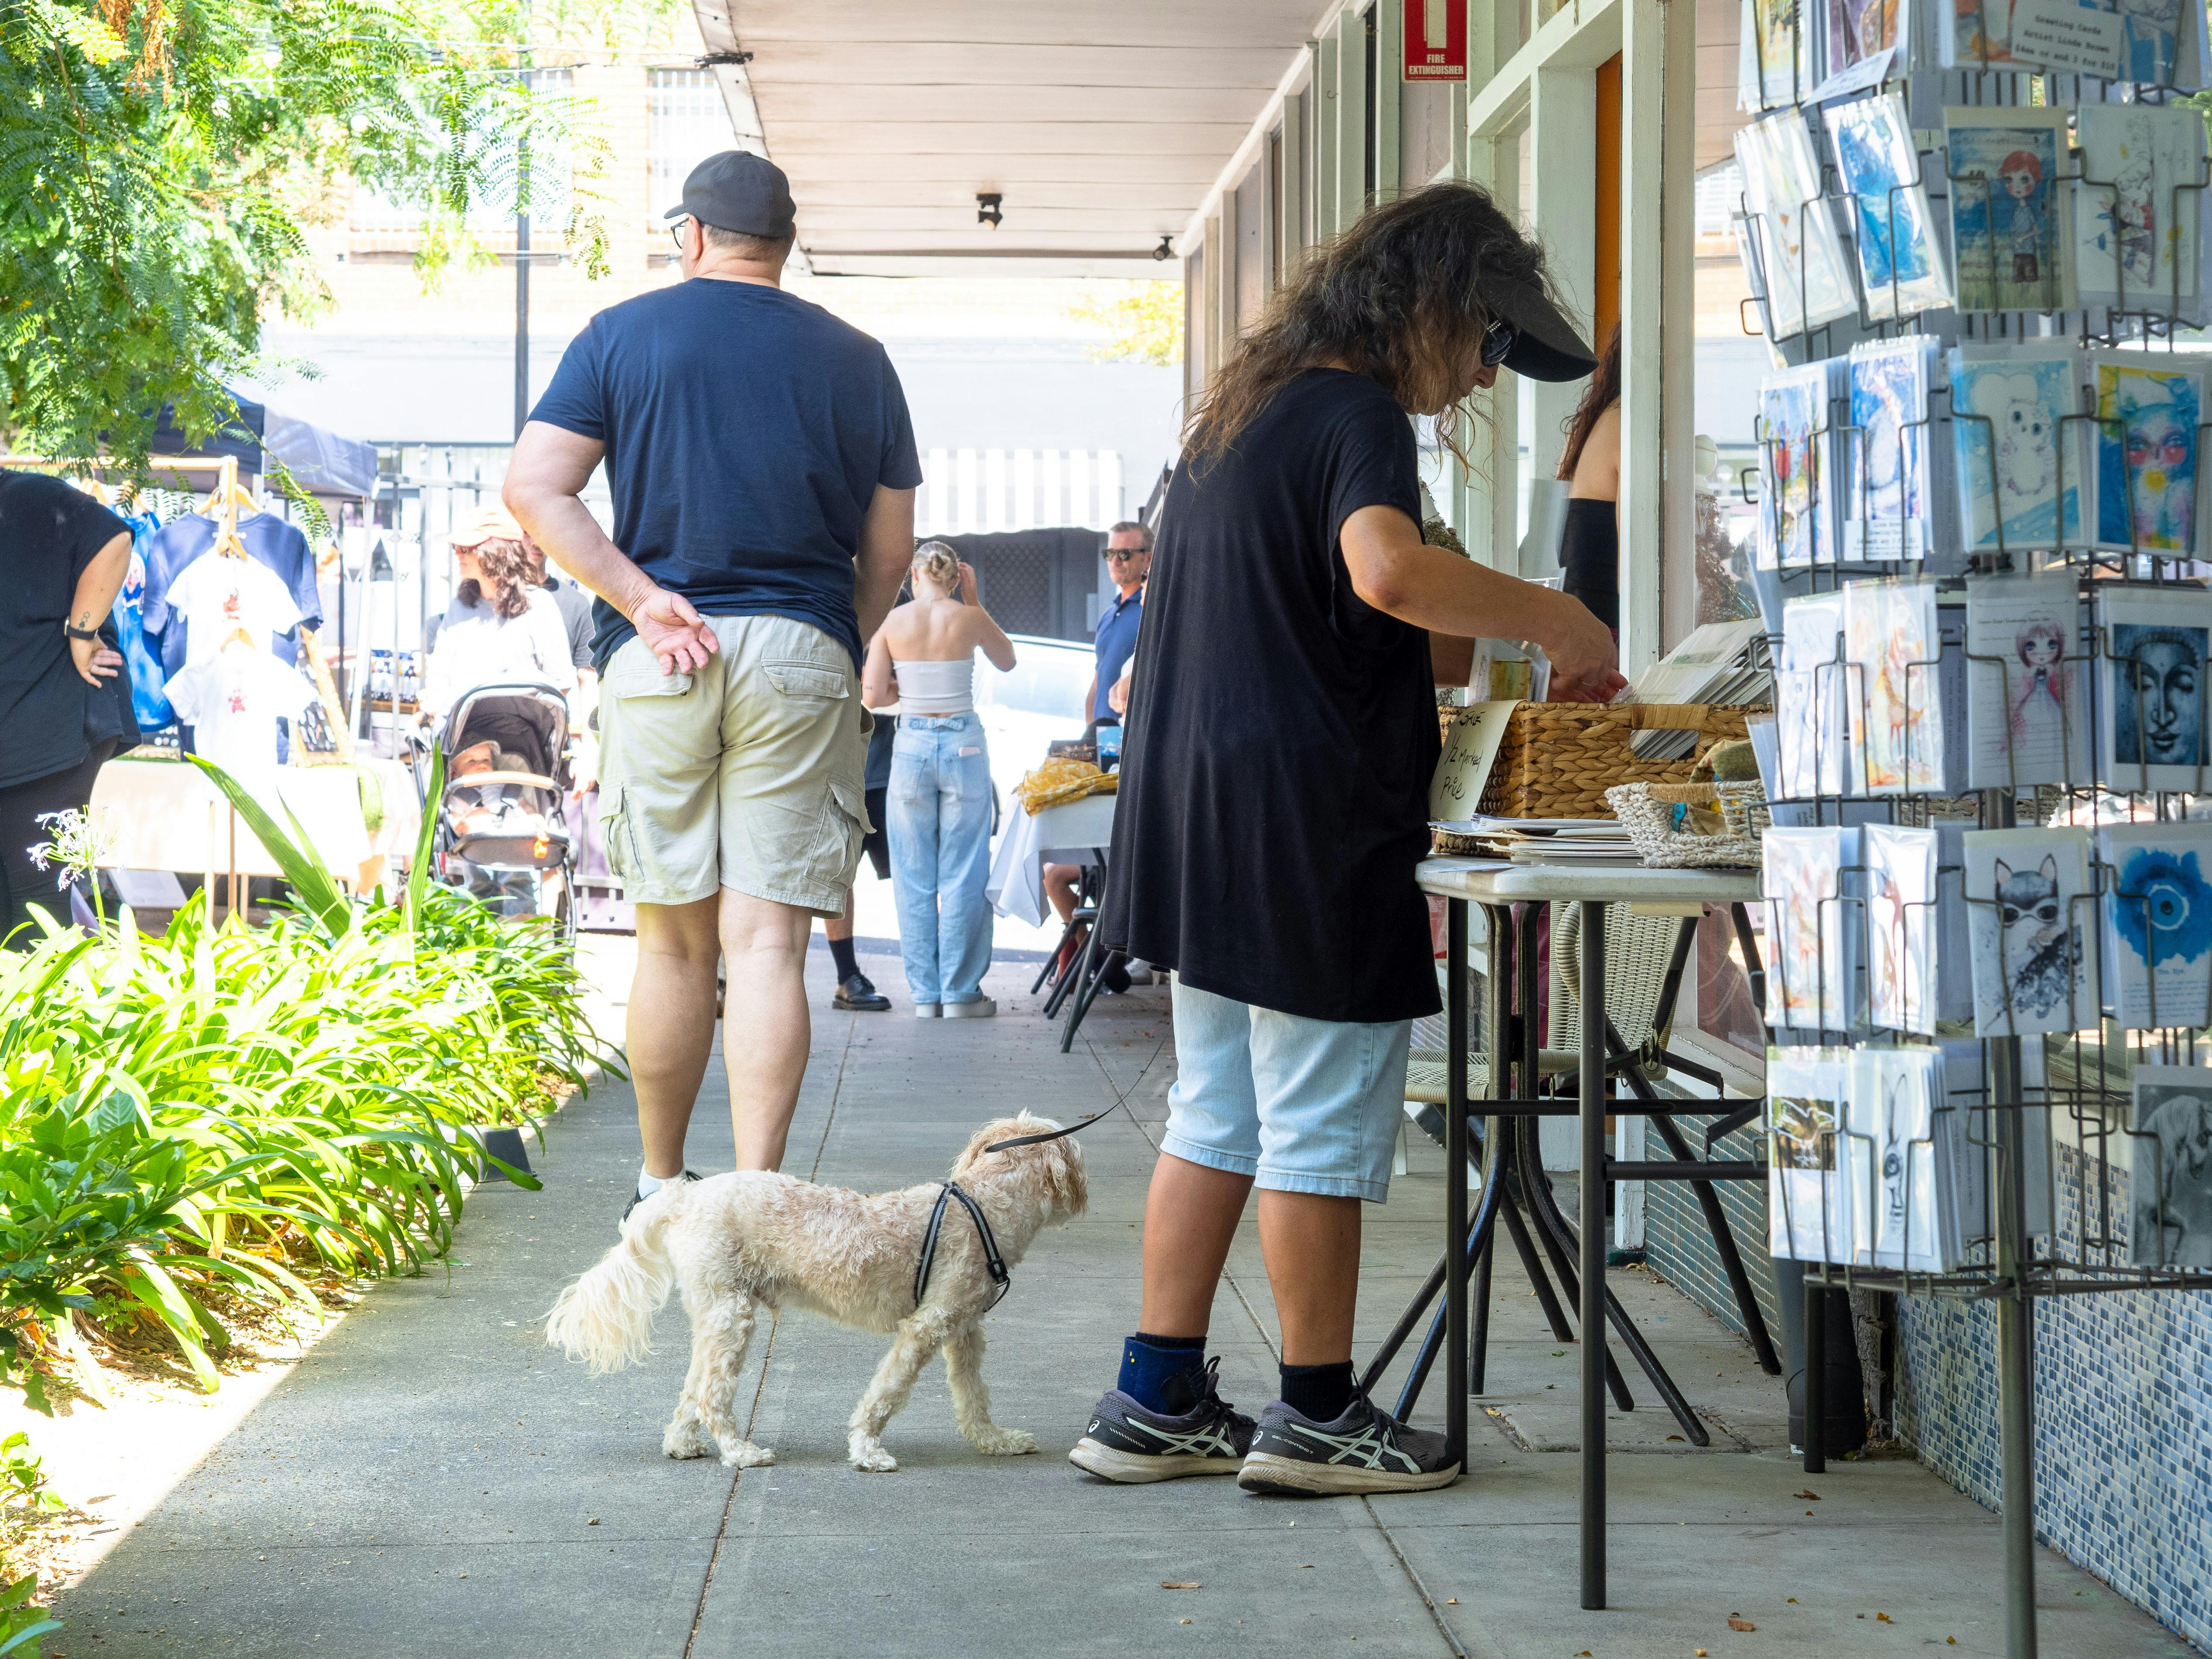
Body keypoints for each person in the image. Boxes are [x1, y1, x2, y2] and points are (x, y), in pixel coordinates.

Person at [1070, 181, 1623, 1496]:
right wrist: (1559, 619)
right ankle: (1315, 1411)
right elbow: (1379, 569)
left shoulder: (1243, 411)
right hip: (1304, 816)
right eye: (1485, 344)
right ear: (1427, 305)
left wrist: (1471, 609)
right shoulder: (1356, 411)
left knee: (1217, 1106)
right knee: (1314, 1117)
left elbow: (1352, 602)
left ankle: (1156, 1394)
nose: (1484, 377)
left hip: (1197, 810)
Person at [504, 150, 920, 1214]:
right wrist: (835, 639)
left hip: (664, 650)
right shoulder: (860, 359)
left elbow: (534, 488)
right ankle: (756, 1204)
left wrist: (641, 600)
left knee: (674, 940)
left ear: (691, 235)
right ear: (780, 245)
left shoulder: (620, 335)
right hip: (801, 647)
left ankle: (657, 1186)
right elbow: (888, 551)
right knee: (770, 941)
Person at [861, 543, 1015, 1016]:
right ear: (955, 577)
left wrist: (907, 685)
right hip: (963, 743)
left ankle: (925, 996)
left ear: (912, 575)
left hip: (910, 746)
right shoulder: (967, 617)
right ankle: (961, 992)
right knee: (965, 869)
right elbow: (1006, 660)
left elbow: (871, 696)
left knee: (912, 874)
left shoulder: (892, 623)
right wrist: (973, 600)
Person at [0, 470, 137, 946]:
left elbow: (115, 538)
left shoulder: (31, 497)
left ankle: (48, 1016)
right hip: (19, 722)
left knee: (38, 896)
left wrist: (82, 635)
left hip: (51, 725)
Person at [1042, 522, 1152, 963]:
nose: (1116, 561)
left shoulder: (1152, 606)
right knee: (1088, 852)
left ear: (1147, 558)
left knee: (1113, 847)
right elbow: (1099, 674)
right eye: (1110, 554)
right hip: (1102, 737)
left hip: (1131, 736)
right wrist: (1090, 726)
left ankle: (1106, 956)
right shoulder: (1111, 613)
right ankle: (1096, 956)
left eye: (1126, 554)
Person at [419, 508, 577, 722]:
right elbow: (439, 677)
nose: (457, 553)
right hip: (463, 741)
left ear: (496, 552)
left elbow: (560, 683)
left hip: (522, 744)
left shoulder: (539, 604)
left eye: (465, 548)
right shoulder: (459, 607)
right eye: (456, 547)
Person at [821, 693, 900, 1012]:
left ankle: (938, 979)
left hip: (896, 769)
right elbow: (875, 691)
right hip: (840, 770)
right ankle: (847, 976)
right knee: (837, 880)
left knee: (919, 878)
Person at [1556, 322, 1622, 638]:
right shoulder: (1626, 422)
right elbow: (1634, 564)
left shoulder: (1594, 420)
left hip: (1577, 618)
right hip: (1606, 627)